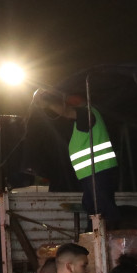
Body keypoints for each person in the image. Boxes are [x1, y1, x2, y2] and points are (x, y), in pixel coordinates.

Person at [41, 93, 120, 229]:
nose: (67, 100)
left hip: (99, 169)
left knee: (103, 208)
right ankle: (94, 237)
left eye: (70, 97)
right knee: (91, 206)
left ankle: (110, 240)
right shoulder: (83, 119)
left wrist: (47, 103)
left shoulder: (87, 113)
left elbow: (66, 112)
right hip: (92, 173)